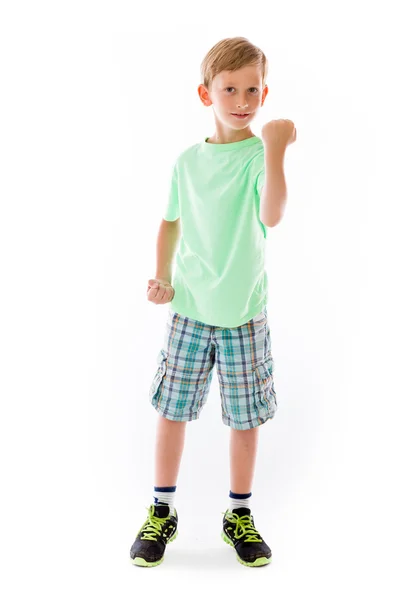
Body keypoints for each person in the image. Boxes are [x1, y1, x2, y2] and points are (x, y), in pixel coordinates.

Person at [130, 36, 296, 568]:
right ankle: (161, 509)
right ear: (207, 94)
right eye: (230, 89)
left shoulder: (256, 156)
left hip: (244, 312)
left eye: (253, 89)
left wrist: (274, 149)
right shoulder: (187, 161)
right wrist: (160, 276)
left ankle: (239, 515)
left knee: (244, 419)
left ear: (264, 92)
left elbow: (271, 216)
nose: (242, 99)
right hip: (191, 309)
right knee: (171, 412)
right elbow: (170, 223)